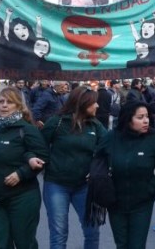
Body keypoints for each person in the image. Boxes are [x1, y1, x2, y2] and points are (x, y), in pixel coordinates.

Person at [0, 87, 48, 248]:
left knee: (24, 243)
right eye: (1, 101)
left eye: (10, 102)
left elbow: (43, 157)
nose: (4, 105)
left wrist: (21, 174)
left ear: (19, 106)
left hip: (21, 198)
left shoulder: (27, 129)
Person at [41, 86, 109, 249]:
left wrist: (97, 169)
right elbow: (39, 148)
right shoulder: (56, 122)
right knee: (59, 233)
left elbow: (108, 150)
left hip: (85, 187)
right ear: (83, 103)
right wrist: (44, 164)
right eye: (94, 103)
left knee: (92, 232)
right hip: (56, 185)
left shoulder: (96, 126)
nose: (98, 106)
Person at [104, 101, 155, 249]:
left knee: (137, 245)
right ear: (128, 119)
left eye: (147, 116)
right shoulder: (111, 137)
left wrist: (152, 187)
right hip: (115, 202)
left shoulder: (154, 138)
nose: (146, 120)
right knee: (121, 244)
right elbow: (98, 158)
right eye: (140, 117)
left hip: (142, 202)